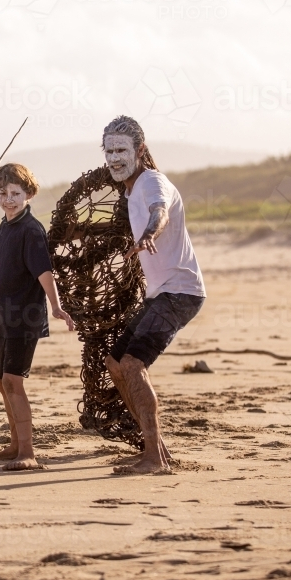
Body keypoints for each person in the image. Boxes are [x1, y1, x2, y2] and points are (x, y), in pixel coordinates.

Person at [101, 115, 206, 475]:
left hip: (181, 292)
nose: (115, 158)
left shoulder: (151, 182)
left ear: (140, 150)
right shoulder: (131, 189)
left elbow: (159, 212)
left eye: (122, 150)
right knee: (115, 364)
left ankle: (154, 460)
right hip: (161, 293)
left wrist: (149, 235)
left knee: (132, 364)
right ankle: (155, 446)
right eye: (109, 151)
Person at [0, 163, 75, 471]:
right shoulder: (4, 226)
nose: (8, 199)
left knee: (14, 380)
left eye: (15, 193)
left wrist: (55, 305)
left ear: (28, 193)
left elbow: (44, 271)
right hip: (1, 315)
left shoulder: (30, 229)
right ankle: (13, 444)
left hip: (24, 316)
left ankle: (27, 451)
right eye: (2, 193)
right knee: (1, 381)